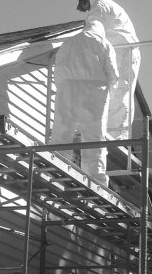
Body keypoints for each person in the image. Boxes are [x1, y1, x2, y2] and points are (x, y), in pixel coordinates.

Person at [50, 20, 119, 187]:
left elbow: (57, 70)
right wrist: (111, 91)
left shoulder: (68, 43)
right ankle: (96, 179)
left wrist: (63, 88)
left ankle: (56, 168)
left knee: (62, 130)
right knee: (94, 135)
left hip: (67, 89)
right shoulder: (103, 42)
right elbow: (112, 73)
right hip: (94, 89)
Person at [75, 0, 141, 140]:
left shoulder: (100, 6)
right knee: (109, 90)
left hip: (126, 52)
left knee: (120, 91)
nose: (80, 6)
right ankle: (109, 130)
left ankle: (118, 135)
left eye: (82, 0)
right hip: (117, 51)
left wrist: (73, 48)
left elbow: (92, 31)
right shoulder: (99, 6)